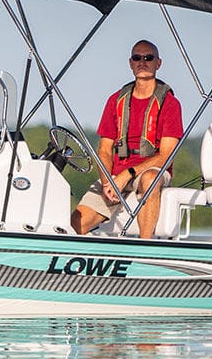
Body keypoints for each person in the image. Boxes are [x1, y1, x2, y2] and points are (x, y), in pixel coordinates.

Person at [71, 40, 183, 239]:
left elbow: (166, 156)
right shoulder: (116, 100)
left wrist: (127, 174)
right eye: (137, 58)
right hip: (115, 174)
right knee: (76, 225)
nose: (142, 62)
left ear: (158, 63)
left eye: (148, 58)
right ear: (130, 63)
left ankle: (144, 247)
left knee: (150, 178)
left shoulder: (170, 103)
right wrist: (108, 181)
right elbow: (104, 149)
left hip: (150, 171)